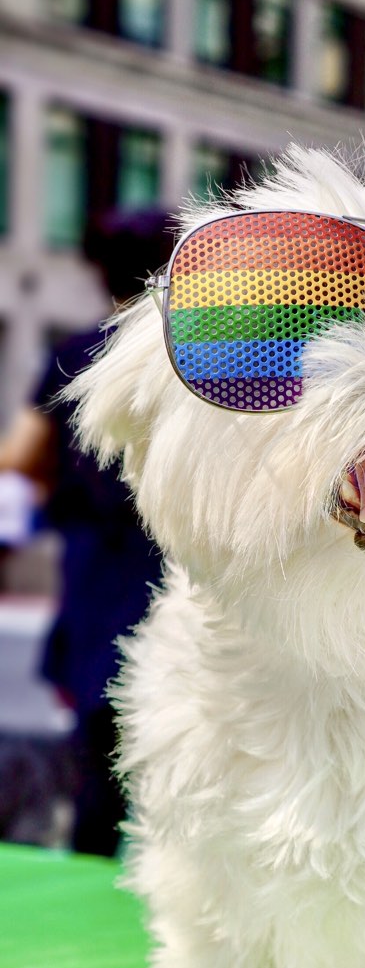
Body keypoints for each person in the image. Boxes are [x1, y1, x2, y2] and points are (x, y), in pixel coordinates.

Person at [0, 207, 169, 856]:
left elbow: (21, 457)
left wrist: (65, 485)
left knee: (97, 741)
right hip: (168, 563)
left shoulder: (75, 355)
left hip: (94, 568)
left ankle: (96, 859)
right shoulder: (201, 357)